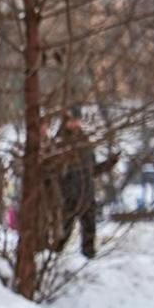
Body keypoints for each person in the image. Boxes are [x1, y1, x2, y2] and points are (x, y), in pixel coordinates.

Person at [51, 108, 118, 258]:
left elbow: (92, 170)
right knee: (64, 230)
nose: (75, 123)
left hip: (87, 192)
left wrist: (109, 163)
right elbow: (55, 171)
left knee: (89, 229)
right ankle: (54, 258)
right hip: (68, 195)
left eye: (77, 120)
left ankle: (89, 256)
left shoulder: (85, 142)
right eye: (72, 120)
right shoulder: (60, 143)